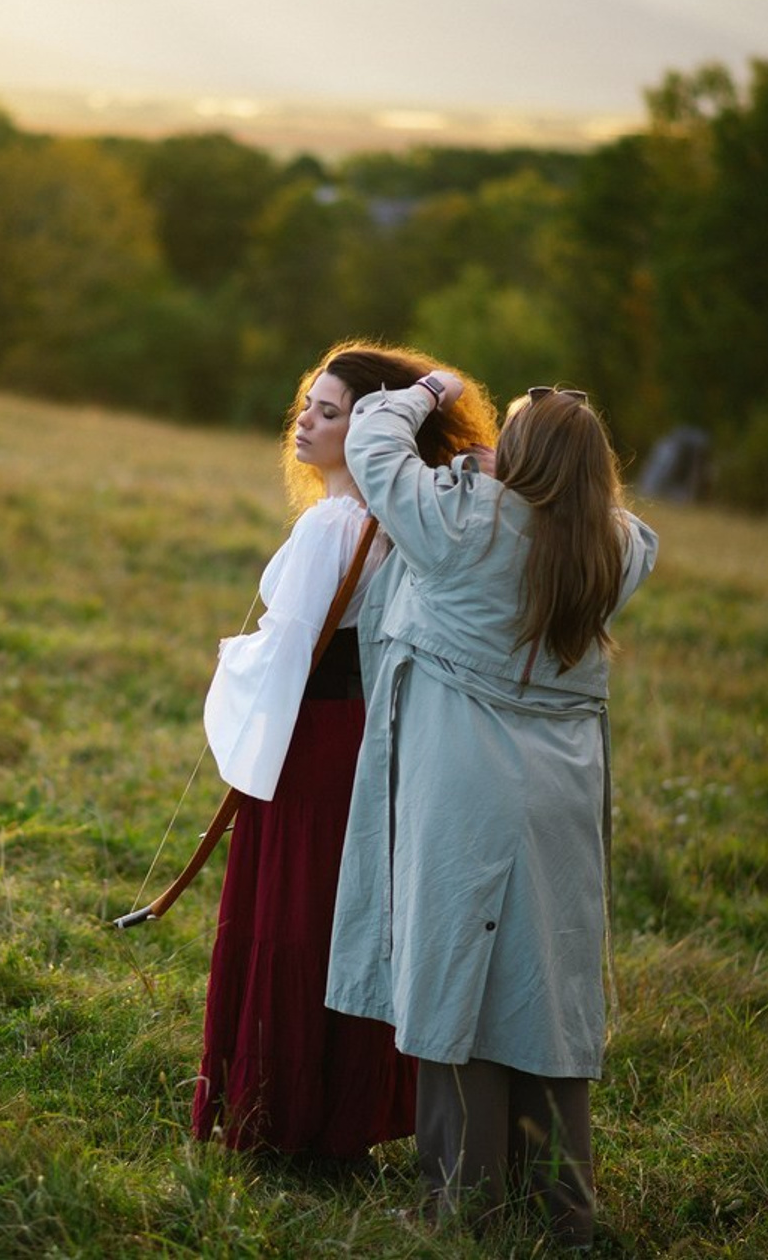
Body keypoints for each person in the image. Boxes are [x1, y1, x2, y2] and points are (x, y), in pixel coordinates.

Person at [325, 377, 658, 1242]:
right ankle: (558, 1212)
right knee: (543, 987)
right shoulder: (613, 548)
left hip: (467, 783)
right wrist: (510, 470)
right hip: (562, 794)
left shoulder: (464, 523)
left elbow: (371, 440)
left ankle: (461, 1208)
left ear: (520, 463)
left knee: (456, 984)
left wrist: (430, 390)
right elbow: (631, 529)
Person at [192, 342, 498, 1164]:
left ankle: (280, 1120)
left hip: (316, 744)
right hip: (369, 738)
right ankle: (336, 1117)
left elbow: (287, 652)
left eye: (329, 412)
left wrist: (232, 659)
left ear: (368, 430)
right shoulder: (409, 518)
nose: (306, 420)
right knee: (345, 921)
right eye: (309, 404)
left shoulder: (336, 523)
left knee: (296, 914)